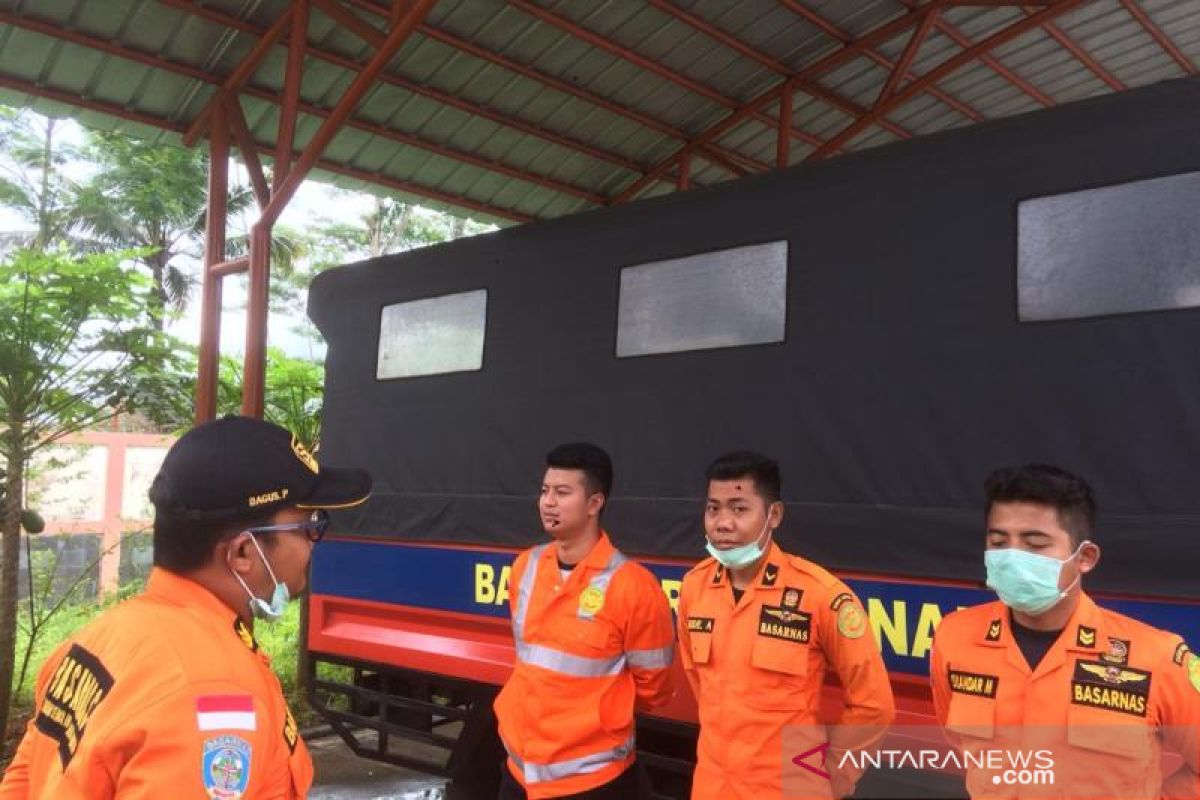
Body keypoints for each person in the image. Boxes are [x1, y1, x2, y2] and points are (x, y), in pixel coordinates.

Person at [0, 415, 371, 799]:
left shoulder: (99, 637)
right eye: (308, 525)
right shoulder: (213, 693)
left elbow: (24, 779)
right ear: (244, 552)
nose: (313, 543)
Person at [930, 464, 1200, 798]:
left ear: (1085, 557)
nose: (1012, 558)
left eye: (1034, 545)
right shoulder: (955, 638)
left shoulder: (1155, 657)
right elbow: (960, 741)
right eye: (999, 542)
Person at [677, 451, 895, 799]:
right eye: (713, 508)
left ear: (773, 515)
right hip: (714, 786)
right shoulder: (694, 587)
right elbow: (697, 677)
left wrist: (832, 776)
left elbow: (874, 704)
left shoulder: (819, 594)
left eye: (739, 508)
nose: (722, 523)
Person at [494, 442, 675, 799]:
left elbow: (653, 688)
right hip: (519, 772)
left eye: (562, 493)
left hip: (592, 781)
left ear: (595, 503)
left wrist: (600, 713)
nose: (548, 502)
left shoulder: (633, 586)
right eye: (545, 491)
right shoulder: (525, 568)